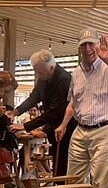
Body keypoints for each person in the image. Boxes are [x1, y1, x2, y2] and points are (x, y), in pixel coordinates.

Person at [55, 27, 108, 188]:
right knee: (73, 182)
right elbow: (73, 103)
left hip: (105, 131)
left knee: (101, 184)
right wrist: (63, 125)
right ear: (80, 47)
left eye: (91, 44)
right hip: (80, 130)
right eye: (84, 45)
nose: (88, 48)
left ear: (98, 45)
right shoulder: (76, 73)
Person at [8, 50, 77, 180]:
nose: (37, 75)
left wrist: (25, 126)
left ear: (51, 67)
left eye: (39, 72)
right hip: (53, 127)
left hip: (67, 127)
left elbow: (53, 112)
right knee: (57, 164)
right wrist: (15, 112)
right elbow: (33, 98)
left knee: (64, 164)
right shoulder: (44, 78)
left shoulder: (64, 79)